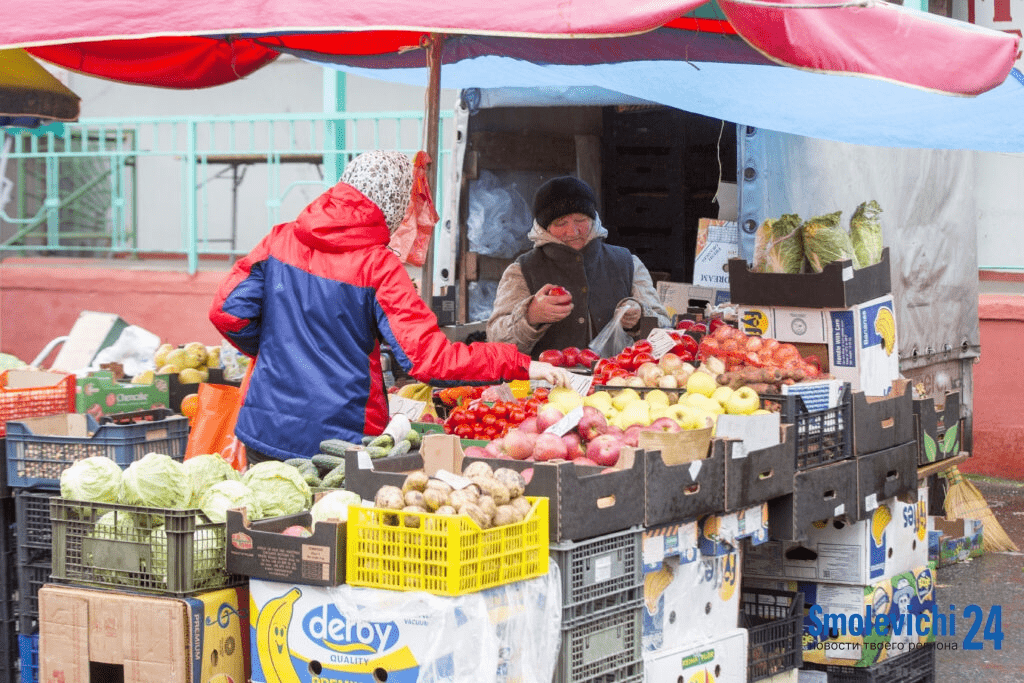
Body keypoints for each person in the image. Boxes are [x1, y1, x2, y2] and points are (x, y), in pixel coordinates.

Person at [210, 150, 572, 463]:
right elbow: (430, 360)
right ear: (392, 203)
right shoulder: (377, 266)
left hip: (265, 430)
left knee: (269, 535)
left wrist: (282, 352)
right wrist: (518, 362)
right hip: (340, 442)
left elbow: (227, 311)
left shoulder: (281, 238)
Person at [487, 175, 670, 356]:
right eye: (560, 223)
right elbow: (496, 342)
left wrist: (640, 317)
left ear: (593, 218)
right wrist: (530, 315)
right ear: (544, 228)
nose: (573, 231)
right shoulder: (521, 271)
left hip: (618, 380)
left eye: (580, 220)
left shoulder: (628, 263)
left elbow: (665, 331)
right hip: (546, 383)